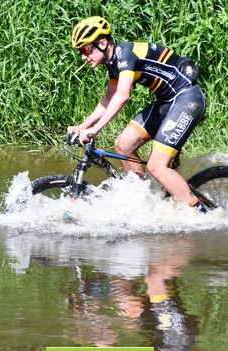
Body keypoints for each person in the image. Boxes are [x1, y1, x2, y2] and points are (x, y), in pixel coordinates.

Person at [67, 16, 208, 211]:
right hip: (168, 102)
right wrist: (82, 127)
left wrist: (94, 130)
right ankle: (144, 205)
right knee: (122, 145)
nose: (83, 56)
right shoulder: (112, 62)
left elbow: (123, 95)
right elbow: (109, 97)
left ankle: (200, 214)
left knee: (156, 166)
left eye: (85, 49)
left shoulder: (125, 55)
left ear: (101, 43)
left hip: (187, 98)